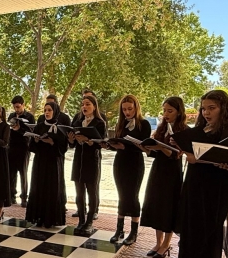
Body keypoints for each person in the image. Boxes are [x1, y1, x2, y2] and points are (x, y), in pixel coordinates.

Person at [174, 90, 228, 258]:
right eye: (204, 108)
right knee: (191, 218)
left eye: (212, 108)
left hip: (217, 183)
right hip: (196, 178)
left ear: (224, 108)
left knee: (209, 224)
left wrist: (199, 158)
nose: (206, 113)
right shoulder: (203, 127)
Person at [140, 97, 188, 258]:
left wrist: (161, 147)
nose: (166, 114)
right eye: (164, 110)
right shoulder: (161, 128)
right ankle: (158, 241)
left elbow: (176, 155)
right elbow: (153, 153)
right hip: (158, 170)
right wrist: (145, 147)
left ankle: (167, 244)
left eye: (170, 111)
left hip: (172, 173)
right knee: (156, 205)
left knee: (168, 207)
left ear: (179, 112)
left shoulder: (184, 130)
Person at [107, 94, 152, 245]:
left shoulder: (143, 124)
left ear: (136, 108)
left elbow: (143, 147)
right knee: (121, 195)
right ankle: (119, 230)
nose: (127, 112)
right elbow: (118, 145)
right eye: (124, 109)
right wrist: (110, 145)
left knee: (133, 195)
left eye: (130, 109)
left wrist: (125, 146)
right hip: (120, 163)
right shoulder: (121, 123)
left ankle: (133, 232)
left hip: (135, 164)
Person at [25, 101, 67, 228]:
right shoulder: (39, 126)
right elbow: (31, 146)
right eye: (45, 110)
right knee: (39, 187)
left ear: (55, 111)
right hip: (40, 162)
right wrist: (36, 141)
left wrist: (52, 143)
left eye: (49, 110)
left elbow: (64, 148)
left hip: (54, 163)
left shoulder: (60, 127)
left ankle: (51, 219)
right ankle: (39, 217)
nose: (47, 112)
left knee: (52, 189)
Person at [68, 94, 106, 234]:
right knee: (79, 192)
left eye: (88, 104)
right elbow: (71, 145)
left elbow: (101, 143)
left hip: (92, 160)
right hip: (79, 160)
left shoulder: (99, 123)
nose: (84, 106)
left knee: (92, 192)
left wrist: (88, 140)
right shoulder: (77, 121)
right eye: (83, 104)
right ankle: (81, 221)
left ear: (94, 106)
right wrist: (71, 139)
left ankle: (89, 222)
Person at [8, 95, 36, 206]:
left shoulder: (30, 116)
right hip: (12, 146)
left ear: (23, 105)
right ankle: (11, 195)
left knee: (23, 172)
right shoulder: (11, 115)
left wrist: (20, 129)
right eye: (15, 107)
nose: (17, 110)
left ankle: (24, 197)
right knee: (11, 173)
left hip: (24, 147)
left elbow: (31, 132)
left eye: (18, 107)